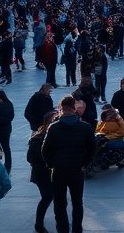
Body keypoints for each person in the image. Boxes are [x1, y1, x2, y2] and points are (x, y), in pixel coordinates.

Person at [42, 95, 96, 233]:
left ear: (61, 108)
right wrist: (84, 164)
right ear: (74, 108)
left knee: (59, 204)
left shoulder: (54, 128)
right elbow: (92, 149)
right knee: (77, 202)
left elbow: (45, 150)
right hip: (77, 170)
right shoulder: (85, 127)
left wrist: (52, 164)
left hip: (59, 171)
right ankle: (77, 229)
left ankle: (63, 229)